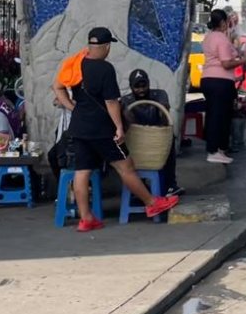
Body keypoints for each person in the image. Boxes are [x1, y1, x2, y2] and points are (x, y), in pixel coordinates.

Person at [52, 27, 179, 231]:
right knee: (125, 166)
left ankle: (86, 219)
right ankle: (151, 203)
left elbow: (58, 86)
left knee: (82, 172)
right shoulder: (106, 69)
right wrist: (119, 127)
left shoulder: (75, 63)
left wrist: (72, 106)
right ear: (106, 47)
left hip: (79, 128)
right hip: (102, 129)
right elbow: (111, 102)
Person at [201, 9, 246, 163]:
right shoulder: (221, 39)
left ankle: (216, 149)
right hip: (220, 82)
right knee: (220, 117)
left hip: (209, 79)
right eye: (227, 21)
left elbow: (232, 54)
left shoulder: (209, 37)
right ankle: (214, 150)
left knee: (214, 115)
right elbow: (226, 63)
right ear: (222, 22)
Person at [120, 68, 182, 197]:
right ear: (131, 87)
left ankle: (170, 185)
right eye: (137, 87)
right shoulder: (126, 101)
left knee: (170, 140)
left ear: (148, 83)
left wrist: (164, 110)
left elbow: (164, 118)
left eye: (144, 85)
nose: (141, 90)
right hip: (137, 140)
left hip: (157, 138)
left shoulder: (159, 94)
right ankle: (139, 188)